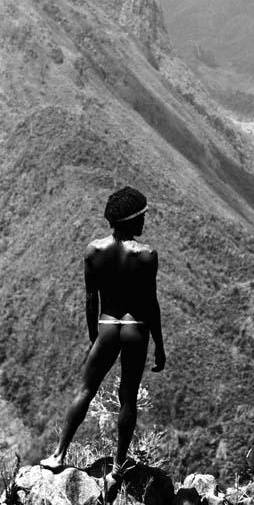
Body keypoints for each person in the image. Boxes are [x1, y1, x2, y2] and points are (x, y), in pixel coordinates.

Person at [40, 186, 166, 487]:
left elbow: (90, 299)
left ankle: (58, 455)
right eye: (142, 216)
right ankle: (118, 468)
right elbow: (151, 303)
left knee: (85, 390)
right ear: (130, 220)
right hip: (136, 328)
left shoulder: (93, 250)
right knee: (128, 399)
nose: (144, 222)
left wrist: (93, 338)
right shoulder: (147, 255)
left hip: (107, 325)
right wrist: (159, 345)